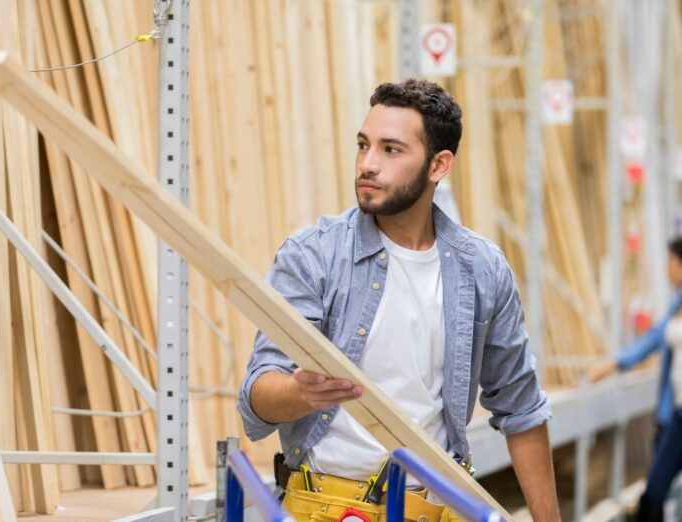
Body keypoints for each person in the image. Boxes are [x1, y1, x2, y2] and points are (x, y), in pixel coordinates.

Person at [238, 79, 560, 522]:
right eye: (362, 145)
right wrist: (301, 392)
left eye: (391, 150)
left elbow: (522, 410)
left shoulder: (482, 269)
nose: (367, 164)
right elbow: (256, 396)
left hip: (430, 508)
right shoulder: (314, 255)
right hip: (324, 508)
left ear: (437, 166)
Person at [589, 237, 682, 522]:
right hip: (676, 411)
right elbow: (657, 335)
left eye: (670, 262)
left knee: (654, 492)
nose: (667, 269)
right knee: (655, 488)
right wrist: (617, 361)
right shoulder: (677, 301)